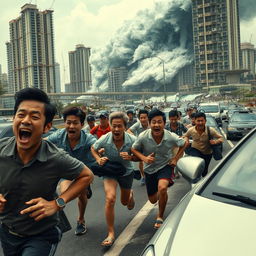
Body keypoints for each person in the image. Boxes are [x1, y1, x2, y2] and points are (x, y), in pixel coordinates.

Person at [0, 88, 93, 256]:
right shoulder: (1, 149)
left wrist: (57, 204)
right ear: (13, 119)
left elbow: (86, 175)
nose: (26, 121)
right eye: (21, 115)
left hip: (41, 236)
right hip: (7, 234)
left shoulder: (55, 157)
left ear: (47, 127)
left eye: (34, 117)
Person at [131, 109, 186, 229]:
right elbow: (133, 149)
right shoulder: (143, 136)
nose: (156, 125)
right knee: (152, 200)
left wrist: (176, 158)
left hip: (165, 166)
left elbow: (184, 143)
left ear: (164, 123)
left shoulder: (171, 136)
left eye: (159, 122)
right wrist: (144, 158)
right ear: (150, 124)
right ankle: (161, 194)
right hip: (149, 169)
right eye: (154, 122)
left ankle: (160, 216)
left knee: (162, 188)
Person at [47, 107, 96, 236]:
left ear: (82, 124)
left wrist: (100, 152)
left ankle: (81, 220)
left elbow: (97, 146)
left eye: (75, 123)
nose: (71, 126)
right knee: (64, 193)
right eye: (68, 122)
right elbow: (44, 144)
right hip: (66, 173)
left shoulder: (88, 138)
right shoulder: (59, 135)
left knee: (82, 194)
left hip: (84, 174)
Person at [91, 112, 137, 247]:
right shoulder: (105, 139)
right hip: (110, 171)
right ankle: (110, 233)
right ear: (110, 126)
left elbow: (141, 154)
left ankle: (130, 195)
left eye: (119, 126)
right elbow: (93, 148)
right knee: (110, 198)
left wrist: (131, 157)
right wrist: (99, 159)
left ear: (125, 126)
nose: (116, 129)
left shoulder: (132, 140)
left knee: (125, 202)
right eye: (114, 126)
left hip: (126, 172)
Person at [184, 112, 224, 177]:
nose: (200, 123)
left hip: (207, 153)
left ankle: (203, 181)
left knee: (204, 171)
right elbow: (185, 136)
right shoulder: (191, 130)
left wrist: (215, 142)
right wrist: (186, 140)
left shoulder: (210, 130)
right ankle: (195, 181)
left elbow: (221, 138)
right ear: (195, 121)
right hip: (195, 150)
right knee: (197, 166)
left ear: (205, 121)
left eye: (202, 121)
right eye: (198, 121)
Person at [127, 109, 149, 185]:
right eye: (141, 118)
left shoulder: (151, 124)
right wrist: (136, 138)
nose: (143, 119)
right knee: (141, 161)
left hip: (151, 144)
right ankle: (143, 177)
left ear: (148, 117)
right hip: (141, 145)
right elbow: (129, 130)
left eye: (144, 117)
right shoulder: (137, 124)